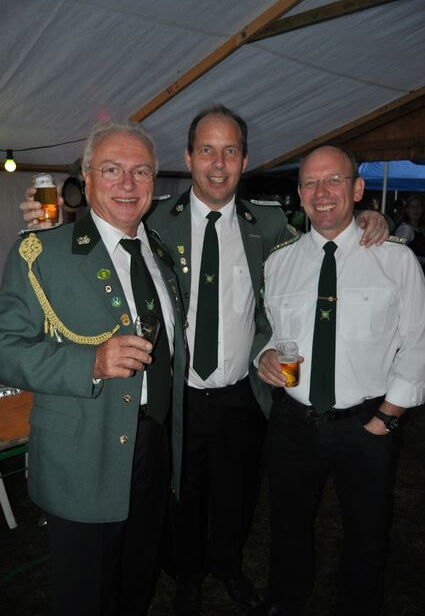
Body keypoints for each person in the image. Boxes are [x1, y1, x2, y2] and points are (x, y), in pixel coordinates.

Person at [19, 107, 388, 616]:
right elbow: (99, 238)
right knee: (180, 495)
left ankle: (228, 567)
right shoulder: (152, 217)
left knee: (237, 492)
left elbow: (317, 246)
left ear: (245, 160)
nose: (218, 164)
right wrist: (56, 223)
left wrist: (367, 218)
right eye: (207, 150)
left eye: (230, 151)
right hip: (176, 394)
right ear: (189, 158)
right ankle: (187, 577)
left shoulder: (270, 223)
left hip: (241, 392)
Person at [0, 121, 186, 616]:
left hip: (154, 445)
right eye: (111, 169)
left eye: (140, 171)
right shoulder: (42, 252)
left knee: (137, 579)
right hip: (82, 454)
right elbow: (5, 349)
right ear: (86, 177)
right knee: (87, 596)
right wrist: (92, 363)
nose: (127, 183)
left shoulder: (160, 254)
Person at [256, 145, 425, 616]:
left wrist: (389, 416)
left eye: (333, 180)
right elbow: (269, 330)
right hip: (293, 421)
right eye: (310, 182)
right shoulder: (279, 262)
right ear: (299, 194)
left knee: (367, 533)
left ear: (357, 189)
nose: (321, 192)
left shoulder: (395, 260)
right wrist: (263, 356)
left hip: (367, 424)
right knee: (288, 526)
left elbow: (418, 340)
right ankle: (287, 602)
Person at [394, 193, 425, 272]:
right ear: (407, 210)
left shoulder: (420, 228)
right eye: (412, 207)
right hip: (410, 271)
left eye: (418, 206)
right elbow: (397, 250)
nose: (416, 209)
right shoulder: (406, 229)